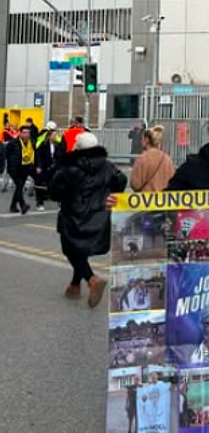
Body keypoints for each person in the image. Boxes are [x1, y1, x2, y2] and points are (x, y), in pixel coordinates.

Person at [49, 131, 127, 306]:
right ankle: (75, 285)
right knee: (80, 250)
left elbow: (54, 191)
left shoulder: (71, 167)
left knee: (70, 249)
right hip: (99, 215)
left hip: (74, 215)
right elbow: (121, 179)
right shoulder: (107, 165)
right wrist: (111, 194)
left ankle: (92, 280)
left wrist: (65, 195)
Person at [130, 125, 175, 192]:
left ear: (147, 140)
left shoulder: (142, 159)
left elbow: (135, 184)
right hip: (163, 199)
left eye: (142, 139)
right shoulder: (167, 159)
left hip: (146, 199)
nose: (141, 141)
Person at [33, 122, 65, 211]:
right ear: (49, 135)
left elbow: (61, 152)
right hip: (44, 166)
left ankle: (60, 202)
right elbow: (38, 154)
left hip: (55, 167)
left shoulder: (57, 144)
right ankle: (40, 202)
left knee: (57, 184)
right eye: (53, 134)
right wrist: (39, 166)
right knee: (41, 185)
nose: (55, 136)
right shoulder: (43, 143)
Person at [6, 125, 35, 214]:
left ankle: (13, 206)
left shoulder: (32, 142)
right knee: (19, 185)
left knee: (20, 187)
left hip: (25, 168)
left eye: (28, 133)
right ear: (20, 133)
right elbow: (7, 153)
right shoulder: (13, 143)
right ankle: (22, 205)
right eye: (24, 132)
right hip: (14, 168)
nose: (26, 135)